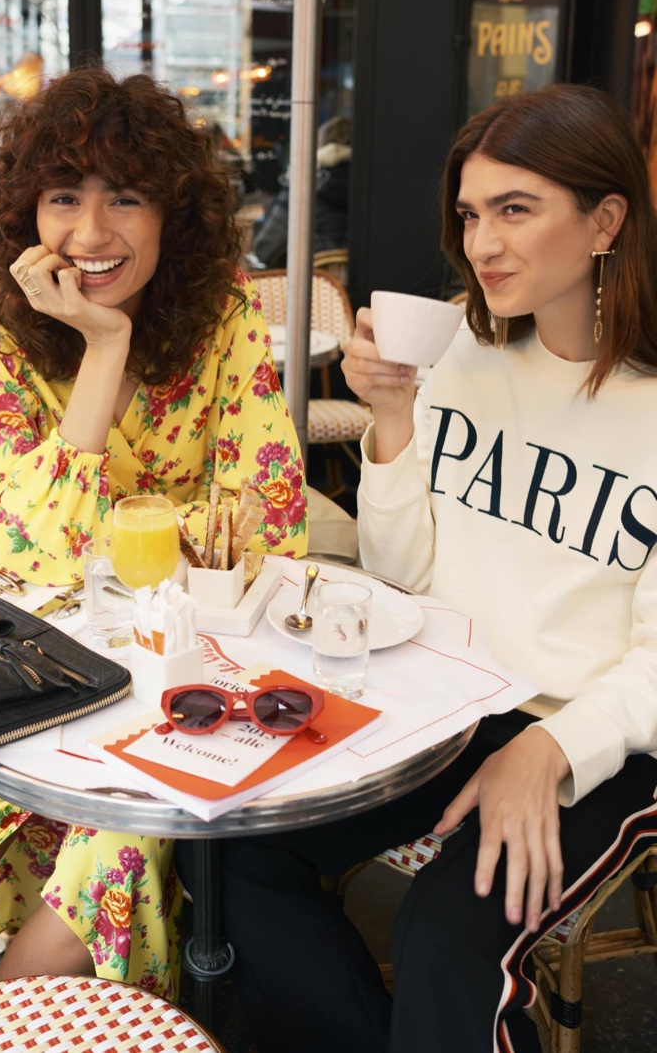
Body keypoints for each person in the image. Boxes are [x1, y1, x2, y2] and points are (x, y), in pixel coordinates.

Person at [177, 82, 657, 1053]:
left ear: (603, 219)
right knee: (225, 847)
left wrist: (548, 748)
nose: (480, 242)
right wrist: (394, 423)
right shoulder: (466, 352)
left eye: (514, 210)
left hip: (602, 736)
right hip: (446, 699)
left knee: (445, 934)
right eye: (471, 213)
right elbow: (406, 573)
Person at [0, 65, 307, 1049]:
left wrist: (144, 549)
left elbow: (272, 521)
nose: (92, 232)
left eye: (126, 196)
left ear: (170, 213)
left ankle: (13, 1031)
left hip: (184, 671)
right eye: (66, 196)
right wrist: (101, 349)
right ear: (29, 213)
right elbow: (44, 546)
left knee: (116, 851)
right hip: (32, 654)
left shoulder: (225, 317)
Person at [249, 115, 351, 269]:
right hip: (362, 287)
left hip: (311, 282)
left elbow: (267, 249)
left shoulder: (304, 181)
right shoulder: (374, 186)